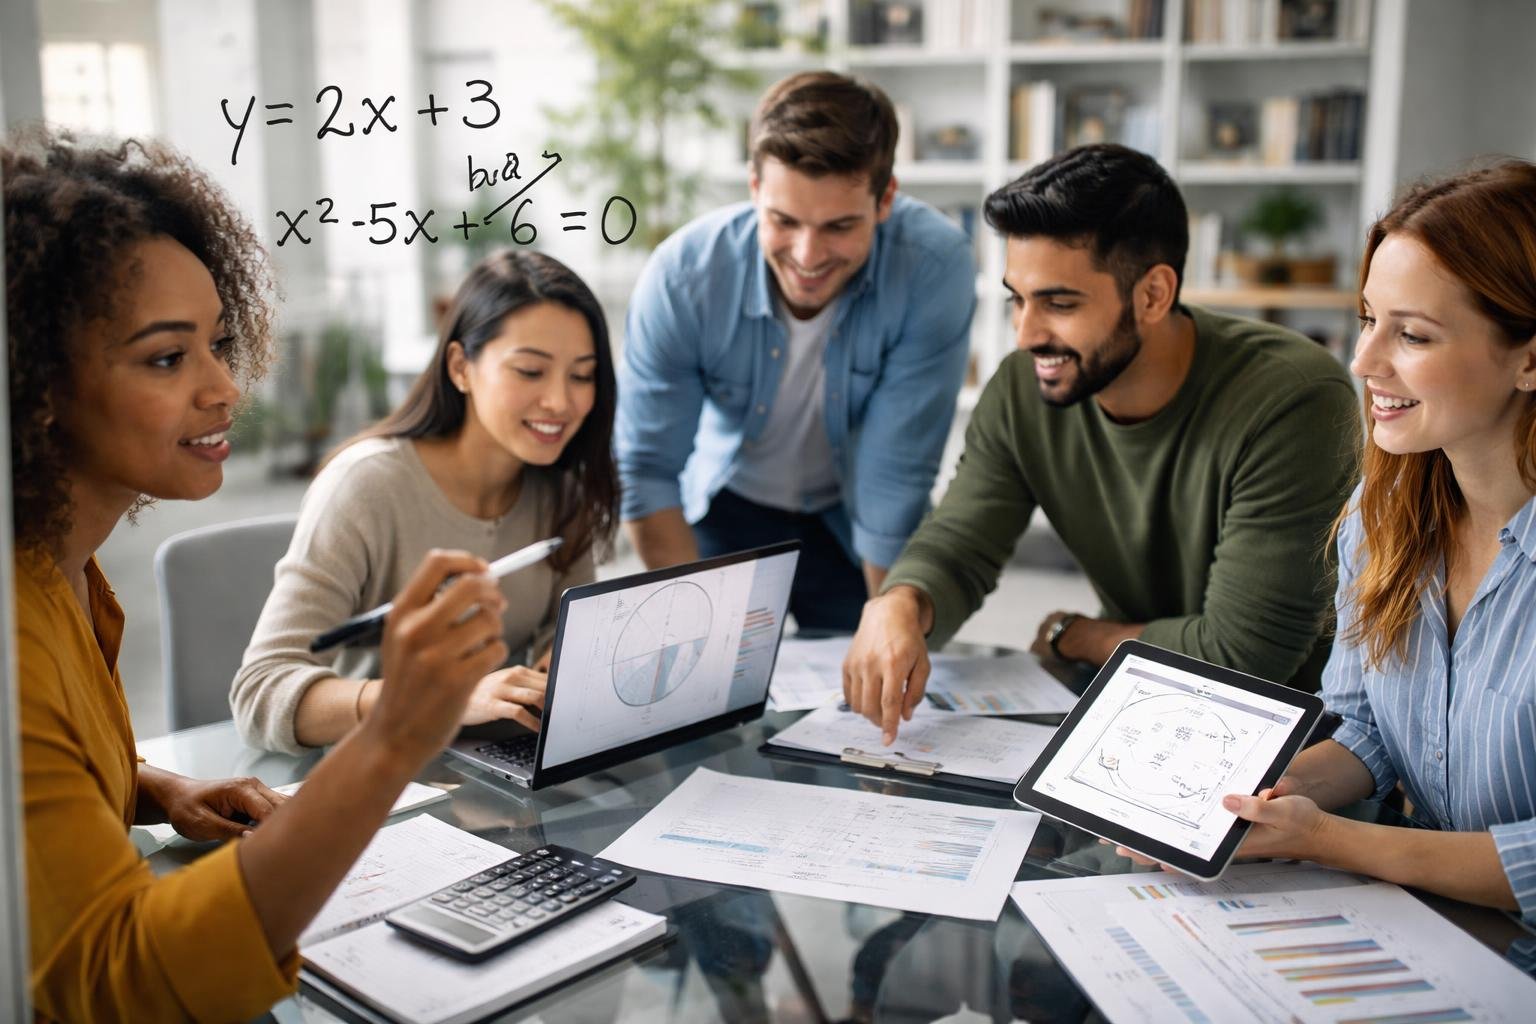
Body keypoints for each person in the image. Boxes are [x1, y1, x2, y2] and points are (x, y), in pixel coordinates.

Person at [5, 127, 515, 1020]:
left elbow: (47, 783)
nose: (224, 387)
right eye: (168, 357)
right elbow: (120, 981)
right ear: (34, 388)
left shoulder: (66, 572)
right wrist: (393, 734)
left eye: (217, 342)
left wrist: (152, 786)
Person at [844, 144, 1360, 743]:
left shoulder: (1293, 398)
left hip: (1294, 746)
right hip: (1136, 700)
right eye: (1018, 298)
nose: (1027, 333)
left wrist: (1077, 633)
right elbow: (961, 543)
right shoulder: (1024, 390)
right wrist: (901, 602)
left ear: (1152, 295)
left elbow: (1240, 658)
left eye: (1059, 303)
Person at [1132, 161, 1536, 921]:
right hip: (1436, 925)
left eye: (1412, 334)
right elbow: (1370, 728)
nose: (1363, 362)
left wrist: (1329, 841)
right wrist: (1246, 806)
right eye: (1367, 319)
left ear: (1530, 357)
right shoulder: (1379, 514)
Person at [615, 70, 976, 632]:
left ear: (885, 200)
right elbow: (648, 468)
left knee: (874, 680)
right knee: (707, 688)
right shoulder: (683, 276)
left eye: (838, 226)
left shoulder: (934, 266)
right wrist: (686, 630)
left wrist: (892, 634)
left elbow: (895, 476)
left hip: (851, 514)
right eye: (784, 221)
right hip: (724, 503)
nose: (807, 256)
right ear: (755, 188)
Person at [232, 249, 617, 754]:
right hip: (369, 782)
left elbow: (560, 632)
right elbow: (261, 693)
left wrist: (558, 661)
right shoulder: (366, 486)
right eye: (529, 371)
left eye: (582, 375)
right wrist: (441, 699)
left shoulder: (562, 488)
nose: (561, 402)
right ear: (460, 367)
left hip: (491, 775)